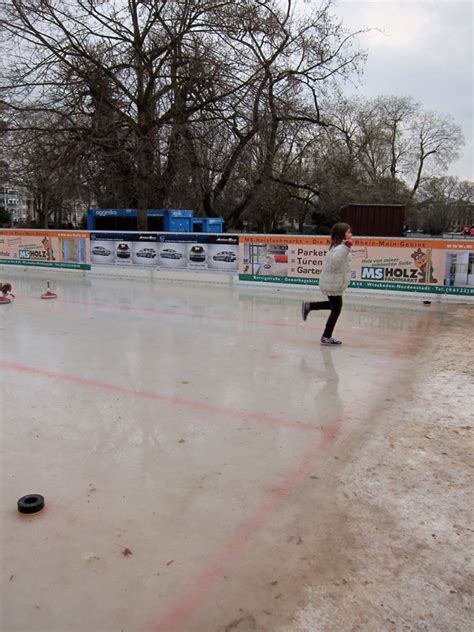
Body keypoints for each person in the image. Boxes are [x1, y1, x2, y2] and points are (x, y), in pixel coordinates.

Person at [301, 222, 353, 345]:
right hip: (333, 282)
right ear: (342, 234)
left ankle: (309, 306)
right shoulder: (341, 247)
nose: (351, 234)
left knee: (335, 306)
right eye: (349, 232)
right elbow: (334, 263)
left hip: (333, 282)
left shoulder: (339, 246)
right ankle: (326, 336)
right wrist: (346, 248)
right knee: (336, 309)